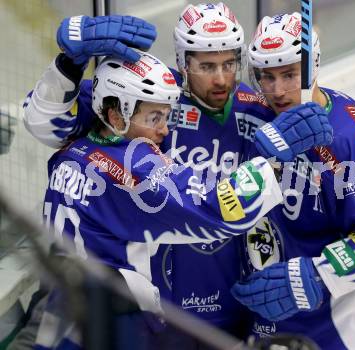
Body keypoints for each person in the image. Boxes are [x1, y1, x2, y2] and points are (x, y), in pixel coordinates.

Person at [23, 6, 332, 348]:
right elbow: (47, 122)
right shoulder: (143, 97)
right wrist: (68, 66)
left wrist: (69, 64)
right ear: (184, 63)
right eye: (206, 65)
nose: (220, 79)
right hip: (140, 316)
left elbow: (57, 129)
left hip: (212, 302)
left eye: (229, 63)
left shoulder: (112, 126)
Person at [231, 13, 355, 350]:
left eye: (290, 75)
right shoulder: (263, 116)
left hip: (341, 329)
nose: (277, 90)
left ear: (314, 68)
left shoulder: (352, 139)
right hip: (272, 317)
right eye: (266, 77)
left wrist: (315, 275)